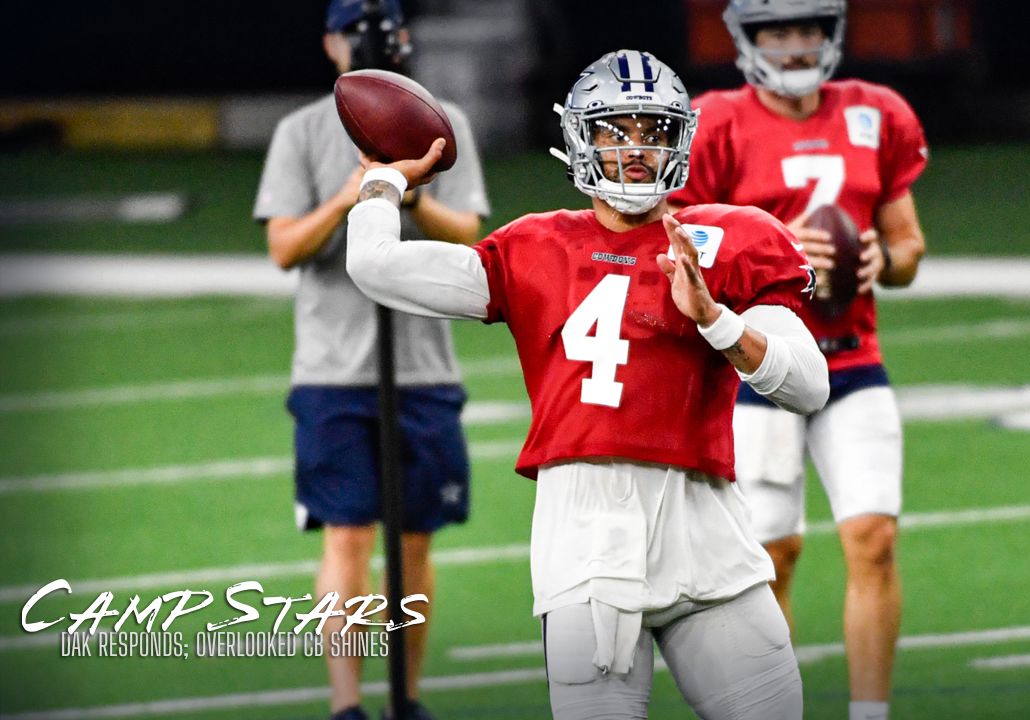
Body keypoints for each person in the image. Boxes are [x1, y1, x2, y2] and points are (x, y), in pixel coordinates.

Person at [345, 49, 829, 720]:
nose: (635, 149)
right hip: (585, 542)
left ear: (679, 139)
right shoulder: (533, 246)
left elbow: (808, 385)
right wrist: (382, 183)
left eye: (653, 131)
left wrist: (715, 319)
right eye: (615, 130)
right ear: (580, 137)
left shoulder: (735, 238)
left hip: (706, 529)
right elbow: (375, 265)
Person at [668, 2, 929, 718]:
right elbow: (681, 250)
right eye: (776, 32)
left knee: (873, 539)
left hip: (853, 358)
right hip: (759, 369)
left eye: (806, 29)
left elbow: (908, 244)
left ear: (830, 33)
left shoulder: (875, 113)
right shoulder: (715, 122)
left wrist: (884, 257)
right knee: (770, 557)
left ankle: (869, 714)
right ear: (747, 40)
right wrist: (773, 246)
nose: (793, 46)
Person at [251, 1, 490, 718]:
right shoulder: (300, 130)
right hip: (334, 367)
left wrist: (404, 192)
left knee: (415, 541)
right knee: (348, 534)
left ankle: (407, 698)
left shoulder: (441, 122)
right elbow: (286, 248)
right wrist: (354, 197)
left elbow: (468, 231)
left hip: (422, 362)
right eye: (354, 31)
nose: (369, 43)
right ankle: (347, 704)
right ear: (330, 43)